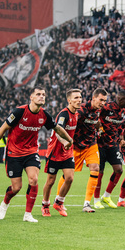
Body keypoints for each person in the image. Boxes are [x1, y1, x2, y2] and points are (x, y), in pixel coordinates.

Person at [0, 86, 73, 223]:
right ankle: (5, 203)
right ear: (31, 97)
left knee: (33, 180)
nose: (42, 96)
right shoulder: (19, 112)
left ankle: (28, 214)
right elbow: (3, 129)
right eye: (38, 94)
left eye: (44, 94)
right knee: (16, 187)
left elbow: (57, 128)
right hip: (13, 153)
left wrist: (68, 140)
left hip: (31, 152)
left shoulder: (44, 115)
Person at [62, 88, 108, 213]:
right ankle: (59, 200)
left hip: (91, 145)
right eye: (101, 100)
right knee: (67, 175)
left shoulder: (99, 111)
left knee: (95, 168)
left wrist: (99, 128)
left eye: (104, 100)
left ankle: (87, 204)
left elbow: (95, 122)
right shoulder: (81, 110)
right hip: (76, 146)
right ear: (93, 98)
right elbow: (69, 123)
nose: (103, 103)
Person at [41, 89, 82, 217]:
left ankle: (58, 202)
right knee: (51, 181)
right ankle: (45, 205)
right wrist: (64, 142)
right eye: (76, 98)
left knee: (69, 178)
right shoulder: (64, 114)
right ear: (69, 100)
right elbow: (58, 131)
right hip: (55, 151)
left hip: (67, 152)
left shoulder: (76, 114)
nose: (79, 100)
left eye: (80, 97)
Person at [93, 91, 125, 210]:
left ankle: (107, 196)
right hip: (100, 143)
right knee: (100, 172)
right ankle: (96, 200)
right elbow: (95, 117)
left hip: (113, 144)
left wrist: (121, 137)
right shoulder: (106, 107)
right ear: (119, 99)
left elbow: (119, 126)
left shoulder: (123, 111)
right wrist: (97, 126)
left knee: (119, 170)